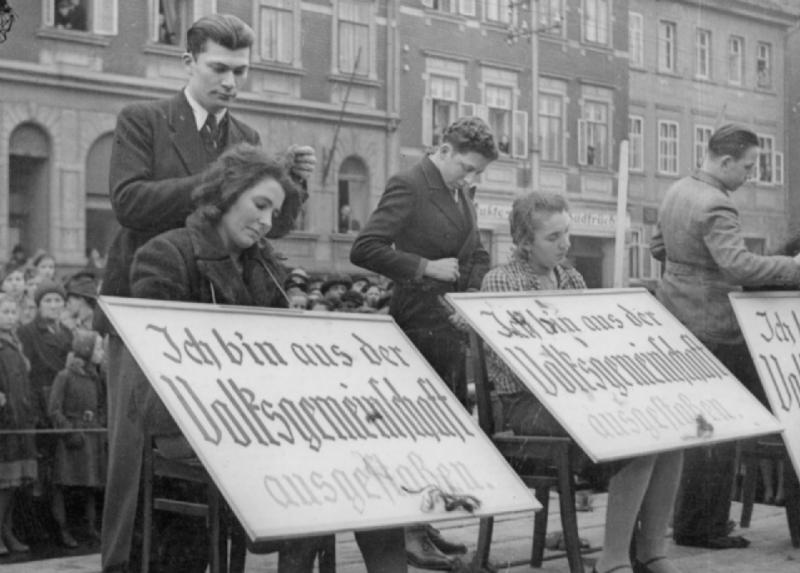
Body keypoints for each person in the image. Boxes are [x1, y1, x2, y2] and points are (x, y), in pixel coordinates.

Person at [98, 13, 316, 573]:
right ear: (188, 62)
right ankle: (121, 565)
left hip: (220, 318)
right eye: (219, 68)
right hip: (143, 309)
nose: (230, 82)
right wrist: (221, 178)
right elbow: (128, 203)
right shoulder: (143, 119)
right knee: (132, 461)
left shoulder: (246, 137)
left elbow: (259, 225)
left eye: (240, 71)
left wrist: (293, 190)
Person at [130, 143, 406, 573]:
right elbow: (164, 364)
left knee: (363, 455)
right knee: (319, 463)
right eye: (259, 205)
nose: (265, 221)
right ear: (225, 194)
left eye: (274, 214)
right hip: (186, 417)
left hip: (260, 417)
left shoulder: (266, 267)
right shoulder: (166, 254)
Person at [482, 192, 684, 573]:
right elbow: (524, 361)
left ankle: (652, 551)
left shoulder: (571, 278)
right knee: (637, 436)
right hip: (527, 406)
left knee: (670, 432)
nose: (566, 244)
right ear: (525, 242)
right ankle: (613, 560)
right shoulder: (501, 282)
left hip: (578, 395)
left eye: (567, 233)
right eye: (553, 237)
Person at [351, 116, 498, 570]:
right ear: (444, 150)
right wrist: (424, 268)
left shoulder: (460, 190)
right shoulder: (410, 184)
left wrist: (468, 298)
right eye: (466, 168)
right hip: (415, 324)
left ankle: (421, 523)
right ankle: (409, 534)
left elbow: (473, 252)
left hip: (449, 325)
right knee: (418, 431)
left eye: (477, 173)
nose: (471, 178)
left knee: (444, 430)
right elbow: (365, 248)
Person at [651, 124, 800, 551]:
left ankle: (698, 521)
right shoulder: (717, 203)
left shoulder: (678, 190)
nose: (751, 175)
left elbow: (660, 246)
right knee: (744, 419)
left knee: (705, 428)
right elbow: (739, 268)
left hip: (679, 318)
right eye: (750, 166)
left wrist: (691, 265)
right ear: (727, 161)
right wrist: (793, 266)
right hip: (716, 325)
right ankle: (704, 528)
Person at [48, 330, 106, 549]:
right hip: (71, 439)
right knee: (63, 485)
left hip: (92, 438)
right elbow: (54, 409)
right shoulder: (65, 376)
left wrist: (99, 424)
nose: (101, 353)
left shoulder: (95, 376)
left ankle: (91, 527)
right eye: (98, 348)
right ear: (86, 350)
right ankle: (62, 529)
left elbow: (100, 405)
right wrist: (69, 432)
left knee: (91, 485)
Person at [0, 294, 37, 556]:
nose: (11, 316)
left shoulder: (16, 344)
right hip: (5, 421)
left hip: (20, 419)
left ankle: (7, 530)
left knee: (13, 484)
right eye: (5, 311)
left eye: (14, 311)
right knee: (4, 482)